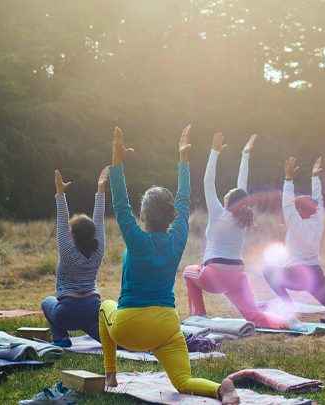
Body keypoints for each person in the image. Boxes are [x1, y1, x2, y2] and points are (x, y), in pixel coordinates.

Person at [99, 126, 239, 404]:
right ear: (171, 214)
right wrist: (183, 161)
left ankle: (110, 374)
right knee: (183, 382)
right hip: (166, 326)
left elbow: (120, 203)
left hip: (129, 329)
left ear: (143, 214)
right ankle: (220, 389)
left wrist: (117, 162)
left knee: (104, 305)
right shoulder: (177, 238)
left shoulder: (136, 238)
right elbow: (184, 202)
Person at [183, 133, 301, 330]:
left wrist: (214, 151)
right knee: (254, 315)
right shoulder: (242, 219)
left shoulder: (219, 214)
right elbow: (242, 187)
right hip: (237, 277)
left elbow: (207, 182)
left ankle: (199, 315)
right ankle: (288, 322)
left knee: (188, 273)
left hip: (214, 275)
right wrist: (245, 155)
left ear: (228, 200)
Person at [41, 167, 108, 347]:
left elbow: (62, 220)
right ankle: (142, 345)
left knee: (47, 302)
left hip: (67, 313)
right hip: (92, 310)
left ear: (72, 235)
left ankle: (61, 339)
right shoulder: (98, 249)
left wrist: (60, 192)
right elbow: (100, 220)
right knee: (113, 341)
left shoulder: (67, 252)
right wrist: (100, 190)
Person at [263, 157, 325, 311]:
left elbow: (287, 204)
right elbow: (318, 200)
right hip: (316, 276)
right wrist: (315, 177)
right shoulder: (318, 221)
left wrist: (288, 178)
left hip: (296, 276)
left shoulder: (295, 224)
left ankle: (288, 306)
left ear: (299, 211)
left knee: (268, 270)